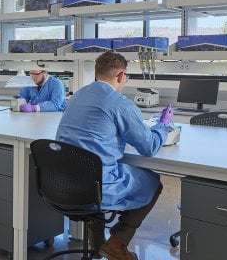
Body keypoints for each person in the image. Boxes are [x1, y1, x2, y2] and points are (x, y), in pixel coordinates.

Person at [55, 51, 173, 260]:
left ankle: (98, 247)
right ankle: (117, 243)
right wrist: (164, 126)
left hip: (62, 181)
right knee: (153, 182)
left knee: (93, 177)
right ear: (121, 76)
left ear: (97, 72)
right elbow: (149, 146)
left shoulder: (77, 96)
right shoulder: (119, 103)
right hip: (96, 185)